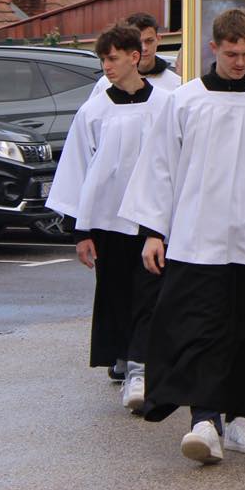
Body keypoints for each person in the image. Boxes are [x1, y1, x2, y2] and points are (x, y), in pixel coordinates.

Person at [120, 8, 245, 465]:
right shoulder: (185, 100)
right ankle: (204, 420)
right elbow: (158, 167)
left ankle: (239, 419)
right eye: (231, 53)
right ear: (214, 49)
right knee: (202, 330)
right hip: (198, 236)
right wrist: (154, 232)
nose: (238, 62)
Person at [48, 24, 172, 412]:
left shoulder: (166, 104)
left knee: (150, 292)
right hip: (107, 220)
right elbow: (77, 168)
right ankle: (123, 356)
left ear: (134, 57)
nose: (106, 66)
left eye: (113, 58)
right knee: (116, 291)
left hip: (152, 218)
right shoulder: (95, 109)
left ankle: (140, 366)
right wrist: (79, 230)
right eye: (102, 59)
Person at [90, 11, 181, 96]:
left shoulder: (176, 84)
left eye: (149, 41)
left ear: (158, 39)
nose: (144, 48)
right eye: (138, 42)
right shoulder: (105, 84)